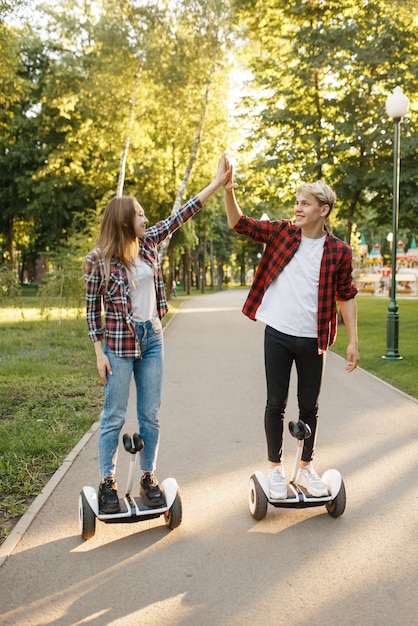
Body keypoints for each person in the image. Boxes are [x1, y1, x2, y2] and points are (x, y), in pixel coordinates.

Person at [85, 154, 231, 513]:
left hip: (151, 338)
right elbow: (93, 310)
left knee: (150, 415)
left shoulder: (148, 243)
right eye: (139, 214)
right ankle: (107, 483)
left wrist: (216, 183)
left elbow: (184, 213)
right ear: (123, 221)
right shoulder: (98, 259)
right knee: (114, 416)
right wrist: (99, 353)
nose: (146, 218)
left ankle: (149, 477)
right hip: (118, 345)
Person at [223, 159, 359, 499]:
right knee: (275, 403)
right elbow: (239, 223)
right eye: (297, 203)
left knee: (309, 406)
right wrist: (229, 190)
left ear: (323, 210)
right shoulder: (282, 232)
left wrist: (353, 340)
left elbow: (347, 296)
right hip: (279, 334)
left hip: (315, 340)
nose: (297, 208)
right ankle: (275, 469)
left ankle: (305, 466)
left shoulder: (339, 251)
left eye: (305, 204)